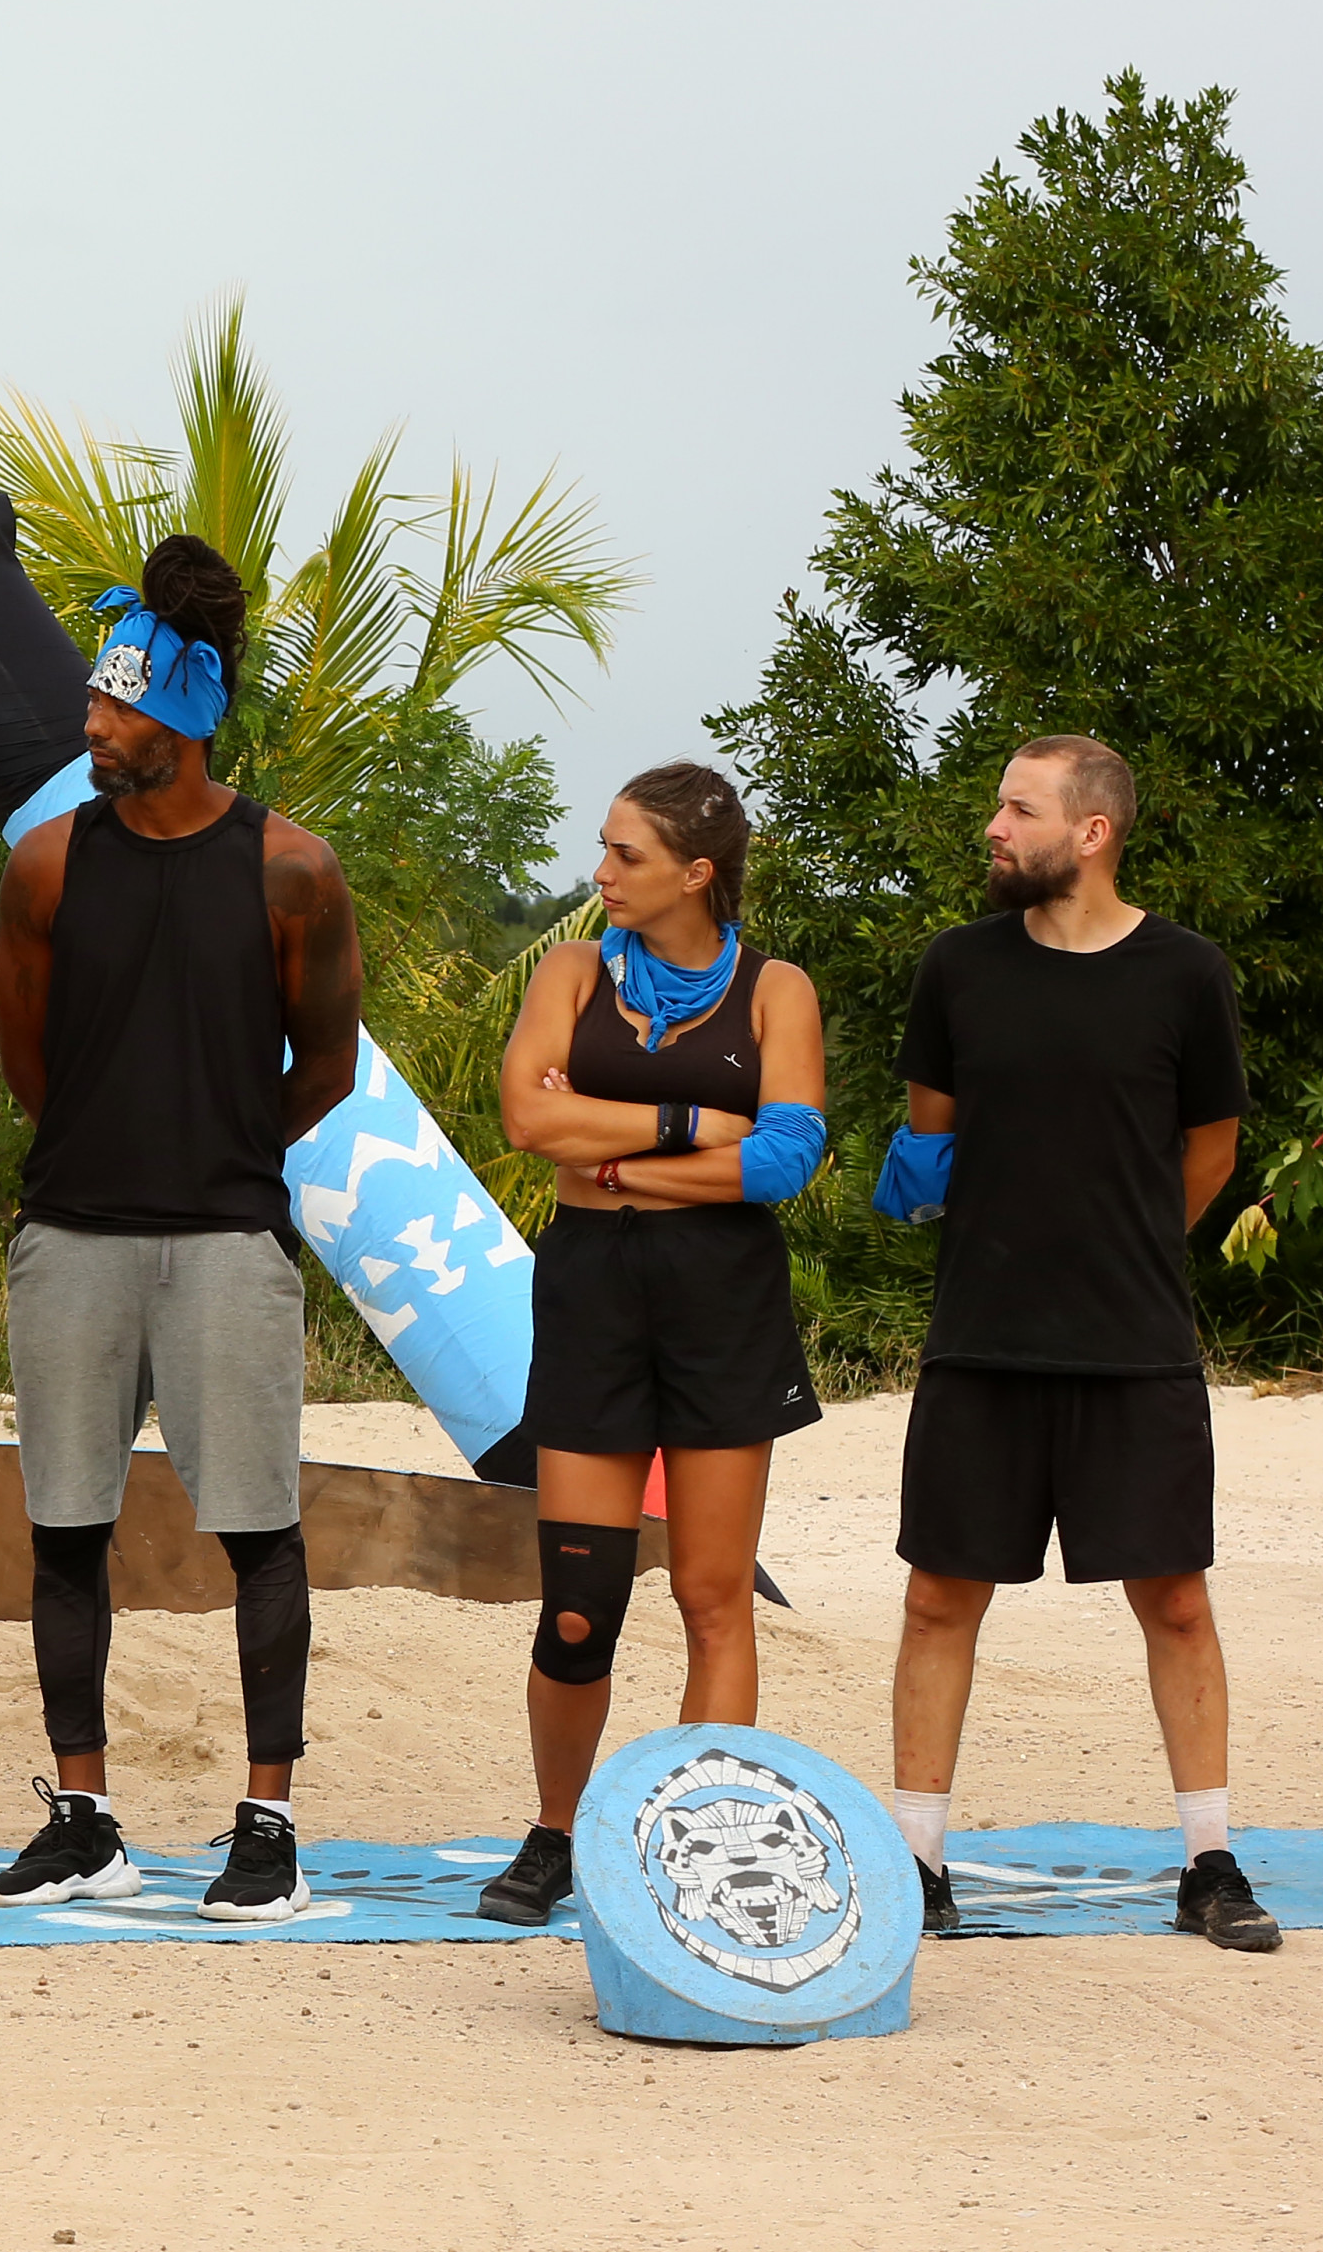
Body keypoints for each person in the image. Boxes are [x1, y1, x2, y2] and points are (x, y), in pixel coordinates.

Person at [0, 538, 362, 1925]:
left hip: (225, 1239)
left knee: (258, 1528)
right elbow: (26, 1053)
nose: (92, 721)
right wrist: (105, 1146)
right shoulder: (44, 867)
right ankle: (85, 1822)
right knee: (64, 1527)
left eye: (118, 704)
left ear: (185, 716)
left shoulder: (292, 870)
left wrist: (223, 1150)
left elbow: (327, 1063)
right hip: (71, 1234)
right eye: (95, 697)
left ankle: (268, 1826)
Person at [875, 735, 1278, 1953]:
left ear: (1091, 831)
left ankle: (1209, 1863)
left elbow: (1212, 1144)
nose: (994, 827)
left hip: (1135, 1338)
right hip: (980, 1334)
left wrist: (1129, 1243)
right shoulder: (957, 966)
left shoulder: (1185, 970)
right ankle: (916, 1864)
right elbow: (931, 1136)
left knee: (1177, 1599)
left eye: (1018, 807)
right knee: (940, 1596)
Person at [474, 765, 829, 1925]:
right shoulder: (573, 970)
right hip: (592, 1293)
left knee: (713, 1595)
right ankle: (554, 1833)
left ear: (696, 871)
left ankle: (712, 1841)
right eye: (604, 846)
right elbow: (526, 1116)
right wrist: (689, 1123)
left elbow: (784, 1159)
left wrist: (618, 1160)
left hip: (721, 1301)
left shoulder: (777, 989)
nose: (602, 873)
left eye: (626, 854)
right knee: (579, 1604)